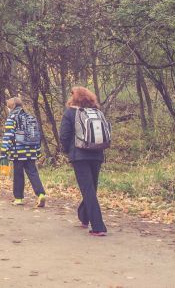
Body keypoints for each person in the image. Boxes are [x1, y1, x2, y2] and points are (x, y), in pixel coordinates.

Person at [59, 86, 107, 236]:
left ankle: (98, 226)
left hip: (79, 155)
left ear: (74, 98)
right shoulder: (97, 112)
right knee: (91, 188)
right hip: (97, 153)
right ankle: (84, 216)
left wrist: (68, 151)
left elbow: (64, 136)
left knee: (88, 189)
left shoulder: (70, 113)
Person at [1, 96, 47, 207]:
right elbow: (36, 135)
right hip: (31, 150)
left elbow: (8, 136)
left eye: (8, 107)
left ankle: (18, 198)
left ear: (11, 107)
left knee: (18, 174)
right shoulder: (30, 117)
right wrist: (38, 151)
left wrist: (4, 152)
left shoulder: (12, 117)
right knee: (33, 173)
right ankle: (41, 194)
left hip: (18, 151)